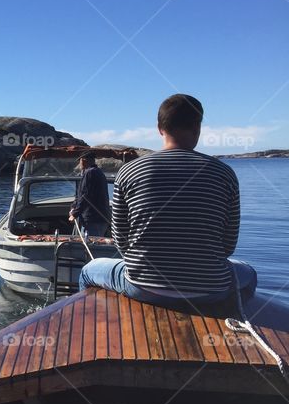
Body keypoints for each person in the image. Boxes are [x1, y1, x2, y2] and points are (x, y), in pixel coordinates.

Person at [79, 94, 256, 307]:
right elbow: (227, 246)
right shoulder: (224, 173)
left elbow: (121, 241)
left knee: (88, 271)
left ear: (159, 128)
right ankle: (226, 321)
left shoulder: (129, 171)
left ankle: (95, 329)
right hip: (211, 289)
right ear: (198, 128)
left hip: (141, 286)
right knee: (249, 273)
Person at [69, 151, 110, 237]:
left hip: (93, 221)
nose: (79, 164)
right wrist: (73, 206)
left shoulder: (89, 173)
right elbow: (81, 195)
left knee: (90, 247)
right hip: (101, 219)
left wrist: (75, 214)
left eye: (79, 161)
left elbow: (85, 196)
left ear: (83, 161)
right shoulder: (99, 172)